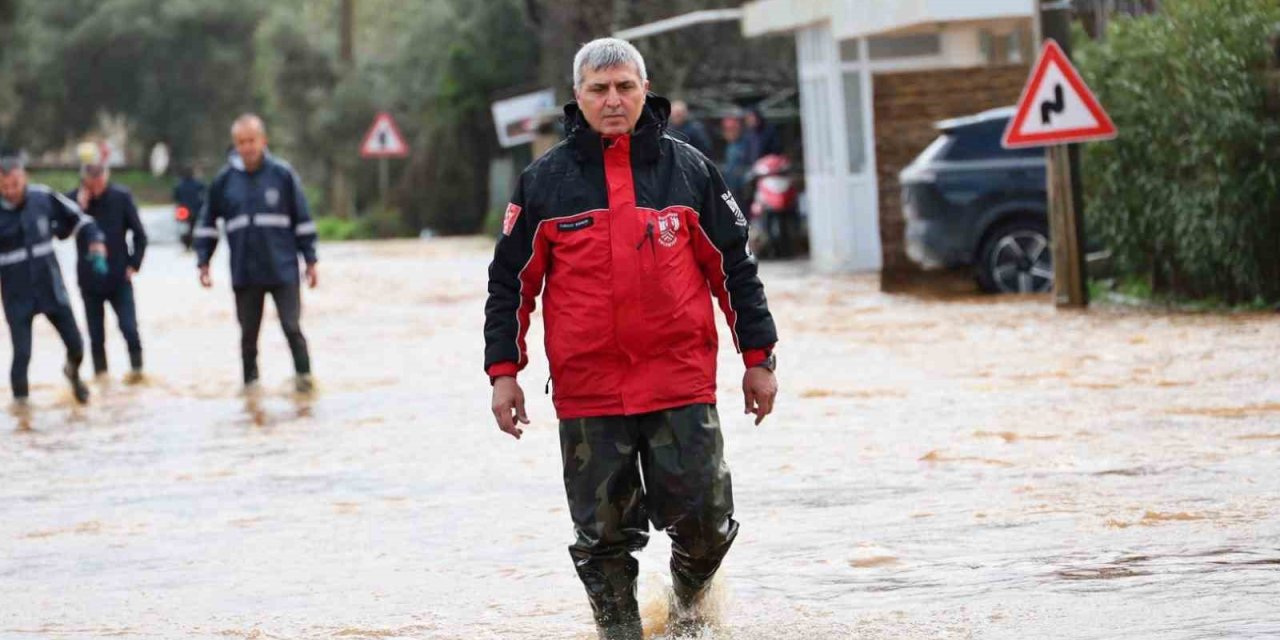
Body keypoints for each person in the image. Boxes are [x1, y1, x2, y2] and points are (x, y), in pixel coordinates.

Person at [483, 38, 779, 640]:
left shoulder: (691, 170)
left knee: (707, 525)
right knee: (603, 543)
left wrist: (759, 359)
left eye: (624, 87)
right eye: (599, 89)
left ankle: (688, 616)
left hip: (680, 384)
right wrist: (504, 373)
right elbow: (510, 285)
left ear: (646, 90)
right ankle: (620, 634)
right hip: (590, 393)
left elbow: (735, 269)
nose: (613, 100)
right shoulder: (544, 182)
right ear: (579, 97)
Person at [194, 114, 319, 393]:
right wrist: (203, 261)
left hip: (282, 269)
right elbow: (207, 222)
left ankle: (305, 381)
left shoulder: (282, 175)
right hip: (245, 272)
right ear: (235, 145)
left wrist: (310, 260)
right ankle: (251, 390)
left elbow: (303, 219)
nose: (247, 147)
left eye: (251, 141)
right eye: (241, 142)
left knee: (292, 327)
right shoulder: (224, 182)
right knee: (248, 337)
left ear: (263, 141)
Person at [0, 146, 105, 405]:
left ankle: (72, 372)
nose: (10, 191)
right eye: (4, 186)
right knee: (22, 355)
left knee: (77, 345)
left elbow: (81, 220)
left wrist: (94, 242)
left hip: (51, 288)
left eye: (15, 184)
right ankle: (22, 413)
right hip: (17, 296)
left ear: (24, 177)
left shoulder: (43, 197)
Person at [69, 155, 147, 381]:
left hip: (119, 277)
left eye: (99, 177)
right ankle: (102, 381)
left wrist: (134, 264)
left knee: (129, 329)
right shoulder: (74, 201)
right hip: (89, 282)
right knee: (96, 337)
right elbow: (59, 230)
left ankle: (138, 373)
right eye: (91, 179)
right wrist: (78, 207)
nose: (96, 184)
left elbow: (140, 235)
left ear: (106, 175)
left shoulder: (121, 197)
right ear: (84, 179)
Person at [172, 166, 205, 250]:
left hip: (183, 210)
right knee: (193, 226)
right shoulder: (197, 183)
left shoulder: (179, 185)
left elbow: (175, 197)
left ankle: (186, 241)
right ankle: (192, 241)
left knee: (183, 227)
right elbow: (204, 192)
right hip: (195, 209)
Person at [719, 115, 751, 201]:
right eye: (727, 130)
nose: (729, 133)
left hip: (742, 188)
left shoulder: (746, 144)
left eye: (732, 129)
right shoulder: (730, 146)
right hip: (731, 187)